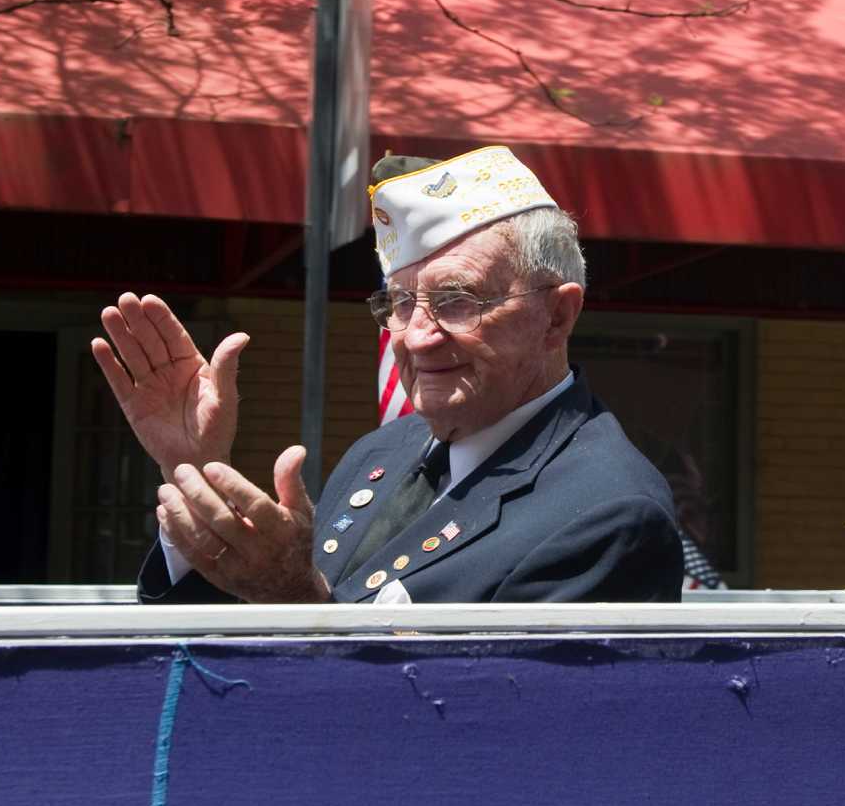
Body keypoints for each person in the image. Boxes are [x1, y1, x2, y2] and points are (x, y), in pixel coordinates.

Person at [93, 145, 682, 604]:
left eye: (458, 299)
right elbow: (206, 665)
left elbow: (486, 740)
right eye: (401, 303)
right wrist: (196, 472)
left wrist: (295, 597)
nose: (416, 336)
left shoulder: (608, 511)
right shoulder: (388, 449)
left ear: (557, 316)